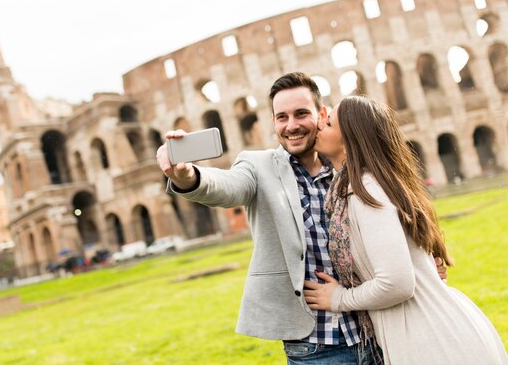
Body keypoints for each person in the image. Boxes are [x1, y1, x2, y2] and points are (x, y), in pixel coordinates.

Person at [158, 72, 447, 364]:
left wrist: (422, 262)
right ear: (272, 122)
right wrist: (188, 177)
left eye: (301, 114)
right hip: (316, 348)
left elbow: (388, 226)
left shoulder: (348, 169)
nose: (291, 125)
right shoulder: (258, 166)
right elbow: (225, 187)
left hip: (380, 334)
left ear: (322, 115)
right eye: (281, 117)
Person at [304, 96, 508, 365]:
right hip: (433, 331)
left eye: (328, 123)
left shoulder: (366, 192)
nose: (319, 125)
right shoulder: (365, 186)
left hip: (433, 342)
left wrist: (340, 298)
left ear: (349, 141)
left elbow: (397, 283)